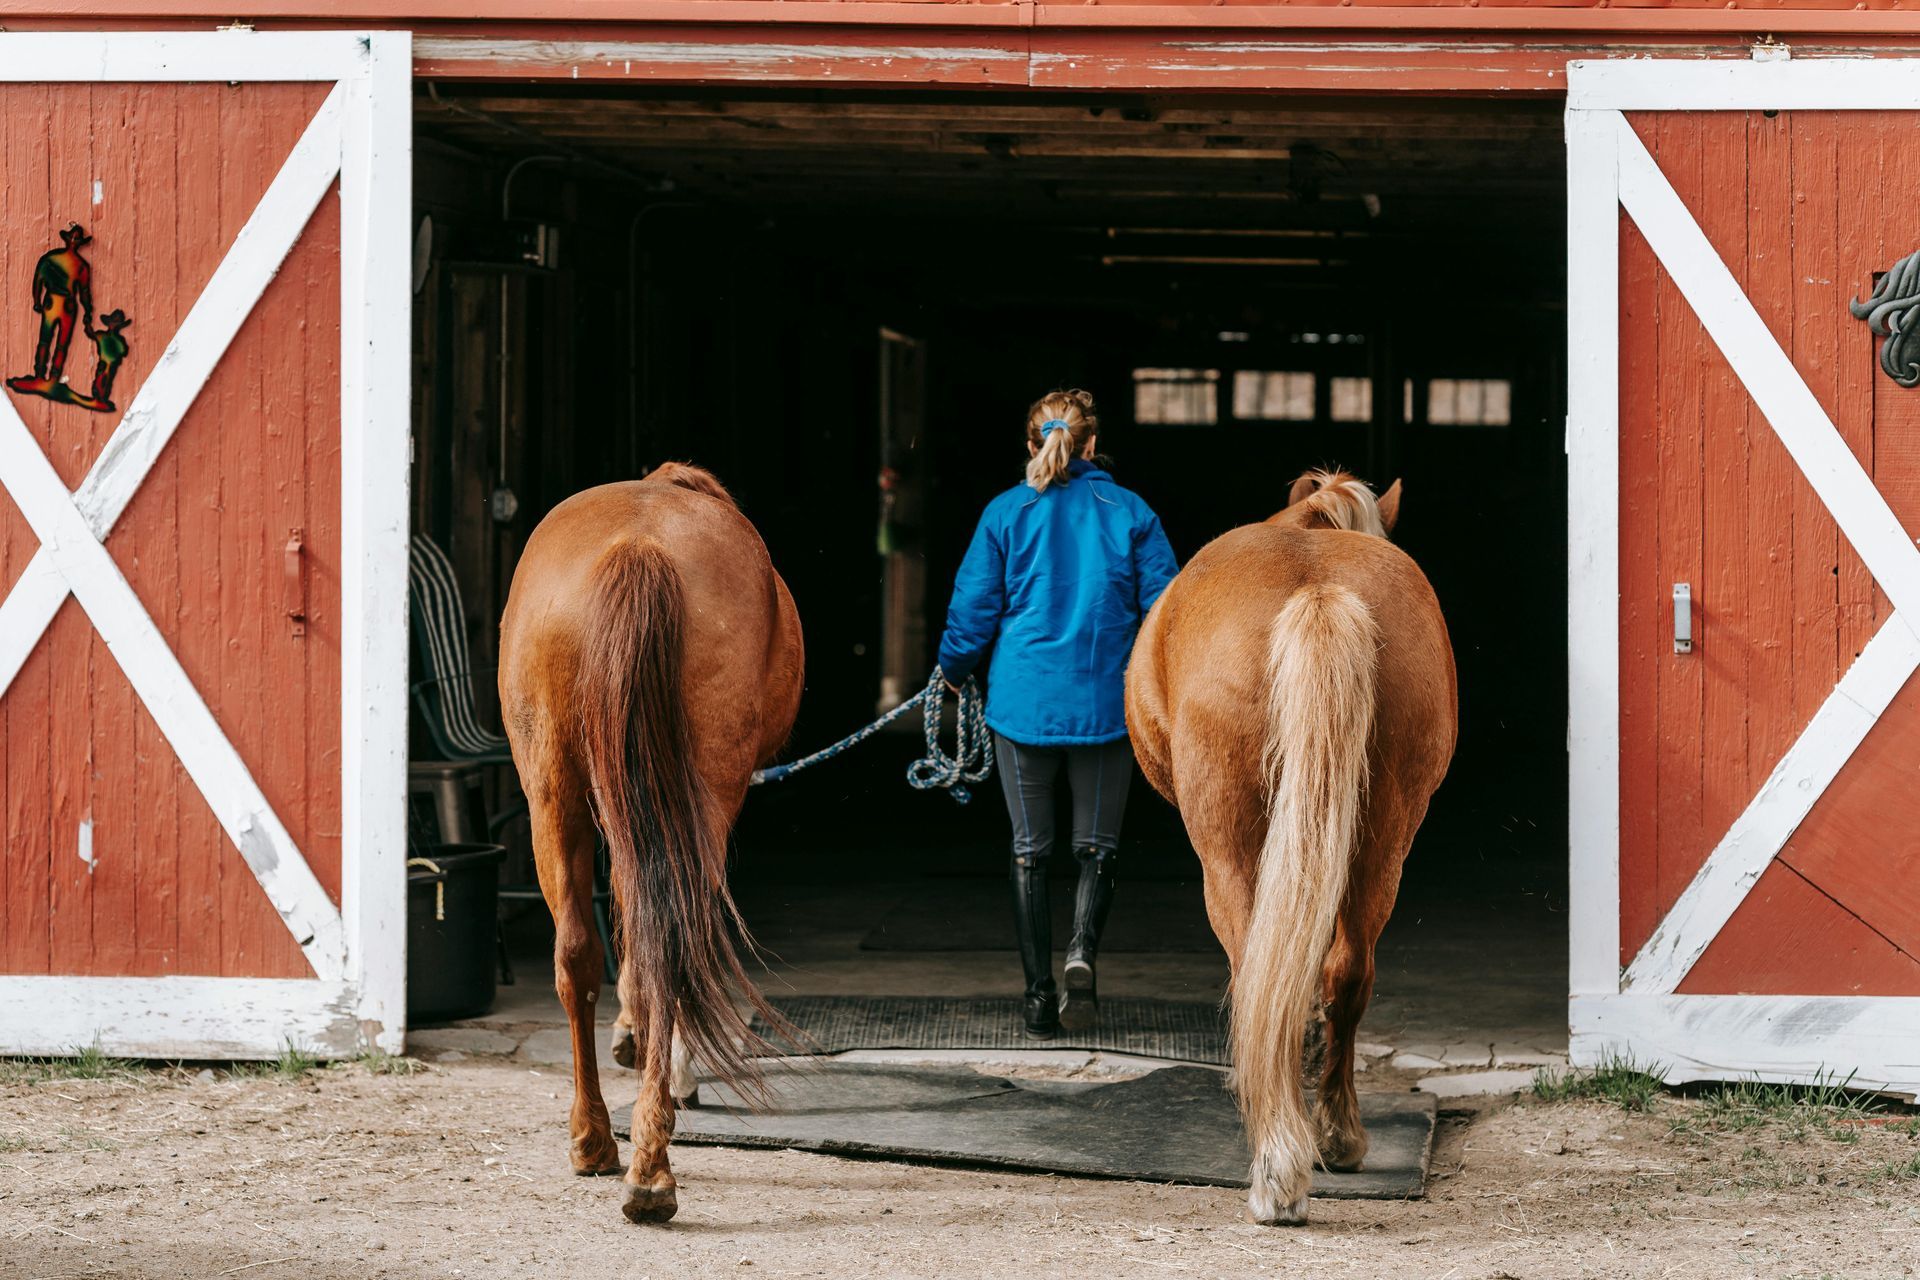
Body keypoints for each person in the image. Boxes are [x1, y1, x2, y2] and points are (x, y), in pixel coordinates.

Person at [937, 389, 1179, 1039]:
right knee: (1097, 847)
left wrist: (953, 672)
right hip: (1106, 703)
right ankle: (1081, 953)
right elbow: (1166, 614)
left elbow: (973, 610)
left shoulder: (1005, 513)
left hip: (1023, 703)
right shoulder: (1131, 513)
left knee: (1029, 853)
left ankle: (1039, 999)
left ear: (1030, 444)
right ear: (1094, 444)